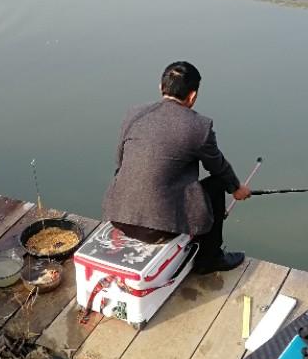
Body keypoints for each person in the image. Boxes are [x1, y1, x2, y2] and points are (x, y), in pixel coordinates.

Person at [102, 61, 251, 274]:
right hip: (158, 228)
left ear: (161, 87)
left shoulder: (133, 114)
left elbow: (120, 162)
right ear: (192, 96)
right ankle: (209, 258)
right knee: (218, 184)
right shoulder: (199, 126)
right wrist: (236, 188)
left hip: (118, 216)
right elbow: (218, 167)